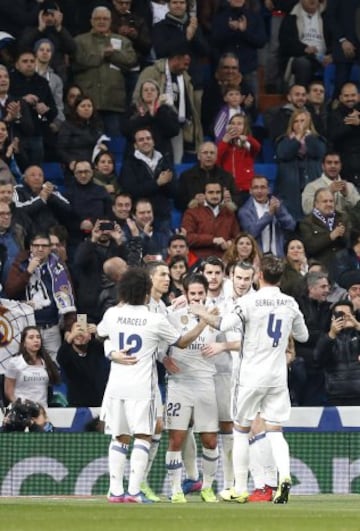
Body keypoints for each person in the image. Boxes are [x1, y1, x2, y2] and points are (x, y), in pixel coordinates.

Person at [190, 255, 309, 504]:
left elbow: (222, 323)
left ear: (259, 275)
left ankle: (240, 487)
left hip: (250, 375)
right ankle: (284, 476)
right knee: (275, 430)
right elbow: (303, 335)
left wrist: (200, 311)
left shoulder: (249, 302)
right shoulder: (290, 303)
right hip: (277, 377)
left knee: (241, 430)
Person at [97, 266, 207, 503]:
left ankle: (115, 491)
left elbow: (100, 333)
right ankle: (134, 492)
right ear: (147, 291)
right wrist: (203, 323)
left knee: (119, 437)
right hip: (141, 387)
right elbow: (182, 341)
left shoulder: (112, 314)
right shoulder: (154, 319)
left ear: (123, 291)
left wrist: (112, 353)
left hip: (116, 385)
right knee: (144, 436)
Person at [165, 273, 220, 504]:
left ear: (206, 294)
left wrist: (222, 344)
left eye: (200, 293)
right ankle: (176, 489)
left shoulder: (218, 315)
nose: (196, 298)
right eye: (192, 294)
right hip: (179, 384)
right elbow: (158, 342)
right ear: (185, 295)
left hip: (206, 383)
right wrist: (162, 358)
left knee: (210, 441)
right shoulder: (174, 316)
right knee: (176, 438)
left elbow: (235, 335)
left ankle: (207, 488)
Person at [4, 233, 76, 361]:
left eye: (44, 246)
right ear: (31, 248)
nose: (40, 249)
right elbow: (10, 291)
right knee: (27, 366)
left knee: (55, 367)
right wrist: (28, 271)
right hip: (27, 328)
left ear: (49, 248)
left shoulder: (58, 266)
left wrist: (69, 327)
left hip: (51, 327)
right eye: (36, 246)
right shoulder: (21, 263)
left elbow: (68, 297)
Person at [72, 6, 137, 136]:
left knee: (114, 144)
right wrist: (102, 55)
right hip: (88, 102)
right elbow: (78, 61)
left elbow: (131, 60)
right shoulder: (79, 41)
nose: (101, 21)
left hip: (114, 103)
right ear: (91, 21)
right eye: (98, 19)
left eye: (105, 19)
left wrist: (113, 55)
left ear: (110, 21)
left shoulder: (123, 41)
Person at [133, 46, 203, 162]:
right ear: (176, 59)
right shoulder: (152, 71)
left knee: (176, 161)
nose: (187, 67)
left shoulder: (185, 77)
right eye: (185, 64)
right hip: (153, 125)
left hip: (175, 126)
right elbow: (137, 97)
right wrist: (148, 113)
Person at [120, 127, 176, 230]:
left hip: (162, 215)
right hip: (140, 216)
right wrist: (157, 183)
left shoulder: (165, 161)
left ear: (153, 142)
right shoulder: (129, 164)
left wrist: (167, 183)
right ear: (135, 145)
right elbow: (131, 191)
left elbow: (174, 191)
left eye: (148, 138)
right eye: (141, 140)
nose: (145, 141)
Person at [275, 108, 326, 221]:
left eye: (303, 121)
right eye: (296, 121)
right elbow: (284, 154)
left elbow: (318, 152)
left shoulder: (316, 139)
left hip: (312, 188)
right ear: (291, 124)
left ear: (309, 123)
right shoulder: (284, 141)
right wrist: (297, 139)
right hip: (290, 192)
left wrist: (307, 137)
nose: (299, 124)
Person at [211, 0, 267, 99]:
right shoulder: (220, 17)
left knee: (251, 104)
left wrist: (244, 31)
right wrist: (231, 30)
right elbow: (214, 41)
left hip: (248, 69)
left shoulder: (254, 16)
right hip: (226, 72)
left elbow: (261, 41)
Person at [314, 299, 360, 406]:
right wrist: (332, 334)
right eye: (339, 314)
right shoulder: (327, 338)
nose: (343, 318)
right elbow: (318, 359)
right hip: (336, 394)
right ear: (332, 318)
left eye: (347, 314)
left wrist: (357, 325)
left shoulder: (358, 335)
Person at [238, 175, 296, 257]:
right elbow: (251, 233)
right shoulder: (245, 211)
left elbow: (291, 226)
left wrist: (279, 212)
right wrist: (269, 214)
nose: (259, 191)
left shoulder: (277, 205)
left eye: (263, 187)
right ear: (250, 191)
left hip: (278, 256)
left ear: (268, 190)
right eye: (256, 187)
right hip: (257, 258)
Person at [181, 180, 240, 258]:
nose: (215, 196)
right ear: (204, 194)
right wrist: (212, 240)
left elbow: (237, 238)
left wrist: (230, 243)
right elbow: (188, 238)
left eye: (218, 192)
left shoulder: (229, 213)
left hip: (224, 259)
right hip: (199, 259)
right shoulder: (192, 212)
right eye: (211, 192)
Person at [124, 78, 180, 161]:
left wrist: (159, 110)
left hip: (162, 153)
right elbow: (126, 130)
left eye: (152, 90)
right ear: (141, 94)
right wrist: (149, 115)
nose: (149, 92)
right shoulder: (133, 110)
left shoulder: (166, 109)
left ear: (158, 93)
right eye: (145, 90)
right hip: (137, 154)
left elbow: (174, 130)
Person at [175, 140, 239, 211]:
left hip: (221, 216)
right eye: (205, 153)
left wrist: (230, 200)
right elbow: (178, 203)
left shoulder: (227, 176)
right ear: (198, 156)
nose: (209, 155)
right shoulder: (186, 176)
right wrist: (193, 201)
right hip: (196, 216)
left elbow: (237, 199)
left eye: (212, 153)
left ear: (216, 156)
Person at [4, 325, 60, 407]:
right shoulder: (15, 362)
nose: (36, 340)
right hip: (21, 409)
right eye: (31, 337)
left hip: (42, 410)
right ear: (24, 343)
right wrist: (19, 406)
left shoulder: (46, 362)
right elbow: (9, 392)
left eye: (38, 337)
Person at [57, 321, 109, 407]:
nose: (79, 334)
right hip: (76, 405)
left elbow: (109, 346)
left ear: (89, 336)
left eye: (83, 331)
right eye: (76, 331)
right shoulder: (67, 354)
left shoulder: (96, 349)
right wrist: (70, 337)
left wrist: (98, 333)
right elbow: (61, 357)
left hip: (98, 403)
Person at [278, 0, 330, 87]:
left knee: (338, 64)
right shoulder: (291, 17)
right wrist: (304, 49)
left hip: (325, 57)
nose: (312, 0)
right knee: (303, 64)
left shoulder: (327, 16)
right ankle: (301, 96)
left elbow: (335, 38)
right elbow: (285, 43)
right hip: (301, 56)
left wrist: (331, 55)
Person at [299, 188, 348, 271]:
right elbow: (310, 247)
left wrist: (343, 235)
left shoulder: (342, 218)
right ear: (316, 204)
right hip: (319, 267)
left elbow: (349, 242)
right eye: (325, 201)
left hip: (342, 266)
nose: (329, 204)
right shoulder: (306, 222)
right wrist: (330, 236)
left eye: (331, 201)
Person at [13, 164, 71, 234]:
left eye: (40, 175)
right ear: (25, 178)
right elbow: (18, 210)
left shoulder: (50, 191)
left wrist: (51, 196)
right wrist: (41, 199)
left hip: (52, 233)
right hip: (28, 234)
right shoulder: (17, 190)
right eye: (33, 175)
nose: (37, 178)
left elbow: (68, 208)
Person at [216, 113, 261, 202]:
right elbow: (216, 161)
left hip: (246, 189)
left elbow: (257, 147)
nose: (235, 126)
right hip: (229, 189)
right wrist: (224, 142)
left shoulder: (248, 145)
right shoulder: (224, 145)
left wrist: (247, 139)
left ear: (245, 127)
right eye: (233, 123)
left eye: (239, 124)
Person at [57, 95, 104, 176]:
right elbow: (60, 148)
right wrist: (70, 161)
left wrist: (102, 148)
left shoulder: (97, 125)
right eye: (83, 106)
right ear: (76, 109)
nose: (87, 109)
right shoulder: (68, 125)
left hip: (94, 166)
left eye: (89, 106)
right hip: (75, 166)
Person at [328, 82, 360, 188]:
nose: (350, 98)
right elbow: (332, 136)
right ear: (341, 98)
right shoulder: (334, 114)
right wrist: (350, 124)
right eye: (346, 96)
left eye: (353, 95)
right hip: (344, 165)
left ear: (358, 96)